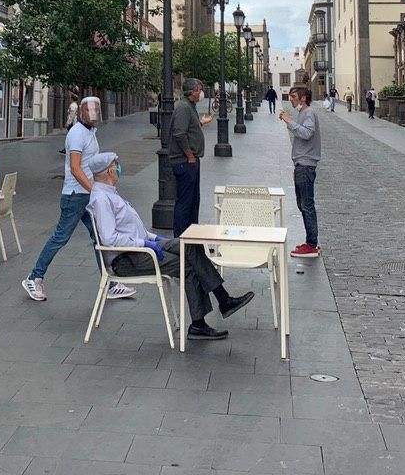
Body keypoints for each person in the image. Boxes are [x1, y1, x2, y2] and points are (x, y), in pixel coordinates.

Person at [86, 150, 253, 341]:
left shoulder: (109, 194)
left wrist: (155, 239)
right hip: (128, 258)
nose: (118, 169)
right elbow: (109, 239)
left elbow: (133, 229)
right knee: (187, 264)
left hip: (140, 248)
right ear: (109, 172)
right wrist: (145, 243)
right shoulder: (101, 199)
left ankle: (222, 301)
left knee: (190, 245)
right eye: (116, 166)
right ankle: (205, 318)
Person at [23, 96, 135, 302]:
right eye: (89, 110)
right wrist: (94, 189)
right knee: (61, 237)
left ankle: (110, 283)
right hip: (76, 196)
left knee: (100, 237)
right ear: (81, 112)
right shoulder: (76, 134)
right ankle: (34, 277)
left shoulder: (90, 133)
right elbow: (75, 168)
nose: (93, 114)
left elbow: (89, 164)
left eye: (96, 110)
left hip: (86, 195)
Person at [170, 78, 214, 236]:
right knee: (185, 202)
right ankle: (181, 238)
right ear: (193, 91)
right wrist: (189, 156)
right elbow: (179, 133)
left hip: (191, 160)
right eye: (199, 89)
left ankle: (191, 236)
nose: (201, 92)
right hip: (185, 161)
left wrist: (201, 123)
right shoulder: (183, 107)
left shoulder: (190, 106)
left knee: (193, 201)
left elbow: (188, 128)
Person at [280, 87, 321, 259]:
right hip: (301, 164)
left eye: (294, 97)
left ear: (303, 98)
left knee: (306, 205)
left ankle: (311, 244)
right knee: (303, 204)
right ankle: (310, 241)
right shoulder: (304, 113)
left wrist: (289, 121)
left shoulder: (308, 113)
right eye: (290, 96)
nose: (291, 99)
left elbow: (307, 133)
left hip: (305, 164)